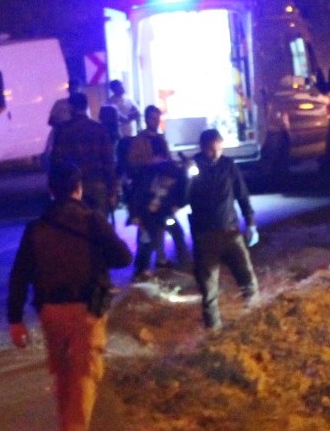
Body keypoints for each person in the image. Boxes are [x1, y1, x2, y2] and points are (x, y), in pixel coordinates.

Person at [7, 164, 134, 431]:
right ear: (79, 188)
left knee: (65, 375)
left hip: (50, 311)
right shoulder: (92, 222)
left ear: (51, 191)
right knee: (86, 373)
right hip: (86, 309)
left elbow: (19, 274)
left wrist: (14, 319)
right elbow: (123, 257)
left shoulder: (36, 227)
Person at [186, 128, 259, 329]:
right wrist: (186, 176)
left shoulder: (228, 165)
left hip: (230, 232)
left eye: (219, 149)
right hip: (206, 237)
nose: (216, 154)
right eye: (211, 150)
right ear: (203, 148)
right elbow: (183, 198)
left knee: (248, 280)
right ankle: (214, 334)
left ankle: (254, 321)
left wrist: (250, 221)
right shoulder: (193, 166)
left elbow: (242, 194)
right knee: (209, 291)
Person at [118, 106, 187, 275]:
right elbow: (133, 163)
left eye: (157, 118)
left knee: (166, 226)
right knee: (148, 229)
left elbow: (168, 161)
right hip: (146, 192)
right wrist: (151, 162)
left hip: (163, 191)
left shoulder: (161, 139)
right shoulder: (139, 141)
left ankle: (164, 261)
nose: (154, 121)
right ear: (146, 119)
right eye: (152, 118)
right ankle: (143, 267)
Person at [48, 93, 120, 220]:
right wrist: (112, 189)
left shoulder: (63, 131)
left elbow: (56, 161)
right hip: (96, 183)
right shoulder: (99, 129)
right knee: (99, 225)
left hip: (71, 186)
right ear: (86, 106)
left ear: (70, 107)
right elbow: (109, 161)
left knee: (75, 226)